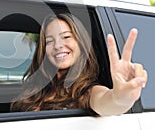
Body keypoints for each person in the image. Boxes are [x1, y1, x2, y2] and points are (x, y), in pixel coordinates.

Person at [10, 13, 147, 116]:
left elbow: (108, 101)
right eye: (49, 41)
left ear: (82, 44)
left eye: (66, 37)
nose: (58, 46)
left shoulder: (87, 91)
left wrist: (122, 97)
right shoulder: (36, 88)